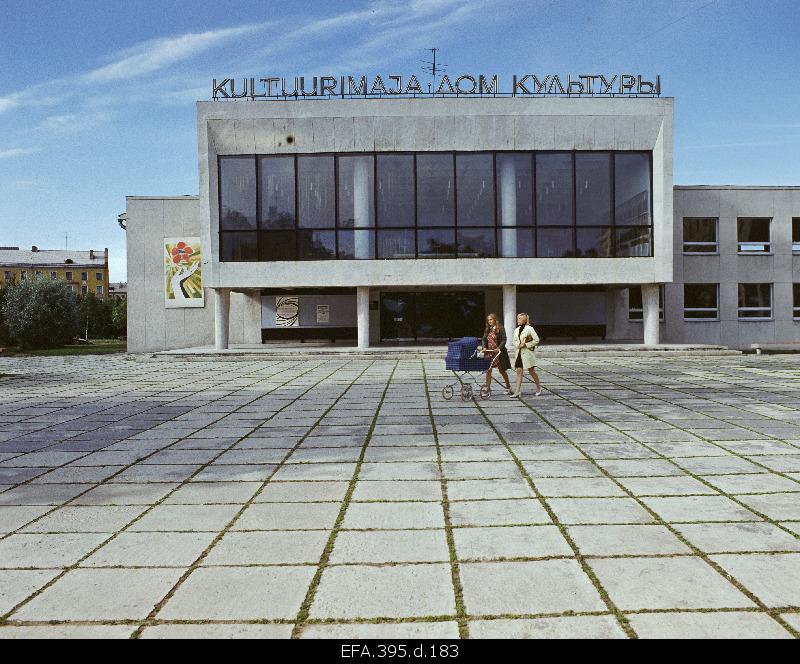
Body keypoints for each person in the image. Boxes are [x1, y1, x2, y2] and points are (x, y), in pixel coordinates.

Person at [511, 312, 542, 398]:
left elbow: (536, 340)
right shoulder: (516, 330)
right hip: (519, 354)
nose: (518, 320)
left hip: (527, 354)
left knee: (531, 371)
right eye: (517, 318)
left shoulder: (529, 329)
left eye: (520, 318)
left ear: (524, 319)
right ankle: (517, 392)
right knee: (519, 372)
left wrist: (526, 345)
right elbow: (514, 341)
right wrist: (518, 345)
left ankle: (538, 387)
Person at [481, 313, 512, 395]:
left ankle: (508, 386)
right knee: (488, 371)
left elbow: (504, 339)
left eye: (491, 319)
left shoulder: (500, 328)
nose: (489, 321)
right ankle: (487, 388)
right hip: (489, 352)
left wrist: (499, 348)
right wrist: (484, 347)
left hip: (498, 353)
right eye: (488, 320)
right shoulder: (488, 329)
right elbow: (484, 339)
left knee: (501, 370)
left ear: (494, 319)